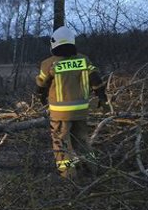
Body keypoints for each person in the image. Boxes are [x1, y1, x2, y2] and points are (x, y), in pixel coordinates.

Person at [35, 26, 108, 178]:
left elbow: (41, 84)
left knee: (61, 142)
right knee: (82, 140)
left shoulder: (49, 63)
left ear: (54, 43)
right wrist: (102, 97)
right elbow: (96, 79)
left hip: (60, 113)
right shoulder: (84, 59)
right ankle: (92, 168)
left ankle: (68, 174)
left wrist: (41, 96)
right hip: (81, 111)